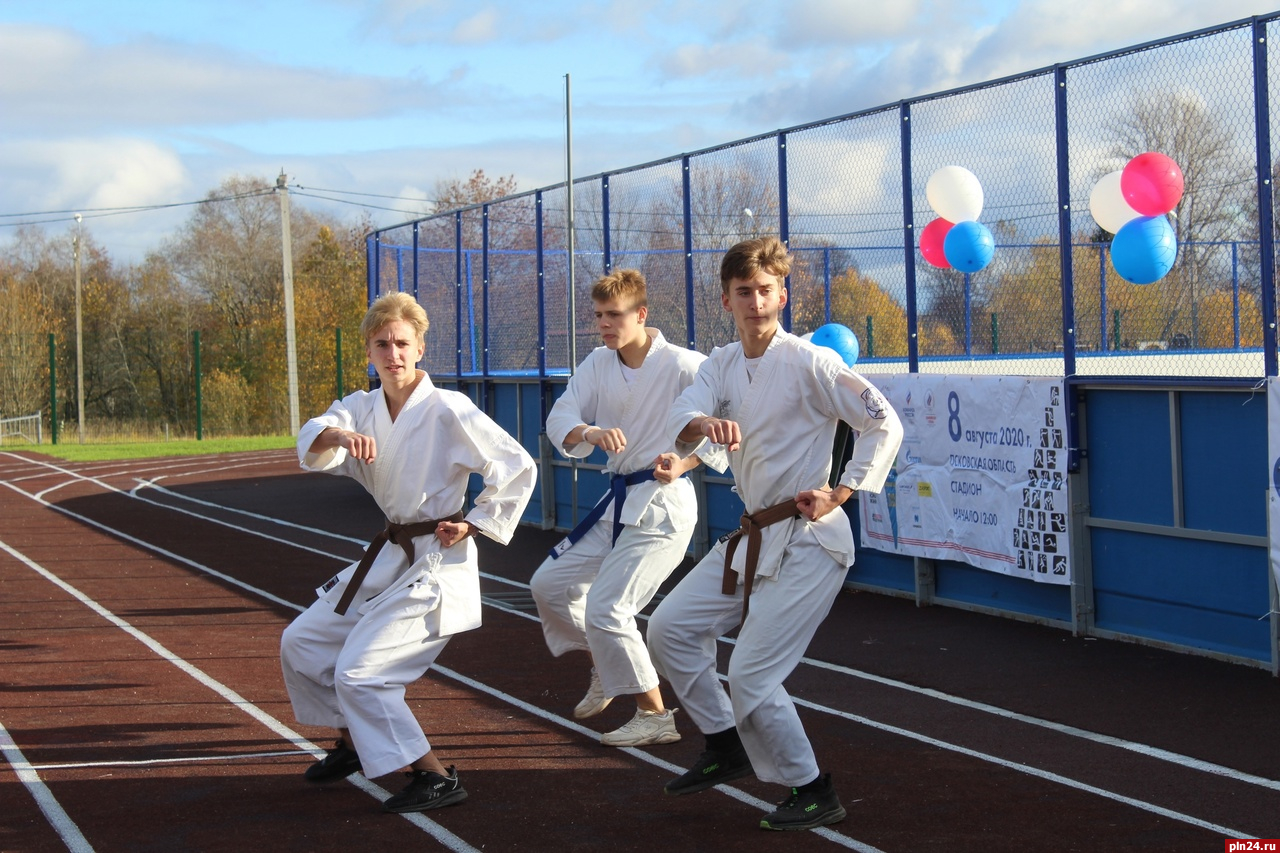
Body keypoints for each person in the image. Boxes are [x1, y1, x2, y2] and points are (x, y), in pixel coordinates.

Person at [648, 237, 902, 831]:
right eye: (744, 292)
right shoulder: (720, 364)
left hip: (812, 541)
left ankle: (812, 787)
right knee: (670, 628)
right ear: (726, 298)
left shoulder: (812, 362)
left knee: (753, 675)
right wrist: (702, 423)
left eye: (766, 290)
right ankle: (725, 743)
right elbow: (682, 414)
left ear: (782, 295)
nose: (756, 301)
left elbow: (882, 421)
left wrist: (841, 489)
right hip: (753, 534)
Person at [279, 291, 537, 814]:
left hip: (437, 564)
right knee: (301, 642)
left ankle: (436, 775)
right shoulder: (360, 408)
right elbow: (312, 438)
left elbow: (516, 465)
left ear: (420, 348)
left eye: (402, 343)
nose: (392, 354)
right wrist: (340, 436)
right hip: (390, 556)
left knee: (360, 672)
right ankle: (354, 741)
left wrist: (475, 522)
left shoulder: (448, 409)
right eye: (382, 345)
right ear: (369, 353)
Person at [530, 269, 726, 747]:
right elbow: (561, 417)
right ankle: (606, 661)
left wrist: (684, 462)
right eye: (598, 315)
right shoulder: (598, 363)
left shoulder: (684, 364)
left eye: (613, 315)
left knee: (608, 607)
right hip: (616, 500)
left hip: (663, 508)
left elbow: (725, 424)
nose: (604, 324)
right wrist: (591, 433)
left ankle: (655, 714)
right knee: (548, 585)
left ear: (641, 314)